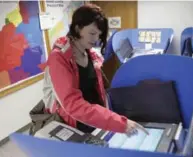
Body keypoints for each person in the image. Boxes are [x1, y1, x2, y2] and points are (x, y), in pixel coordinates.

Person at [43, 3, 148, 136]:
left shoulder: (91, 54)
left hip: (96, 121)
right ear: (77, 28)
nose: (96, 39)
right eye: (92, 33)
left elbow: (100, 89)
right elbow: (72, 104)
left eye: (99, 34)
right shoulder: (59, 58)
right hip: (74, 123)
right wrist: (118, 123)